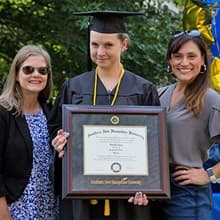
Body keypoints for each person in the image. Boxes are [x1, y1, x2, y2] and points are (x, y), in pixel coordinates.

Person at [48, 11, 159, 220]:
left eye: (108, 45)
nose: (100, 52)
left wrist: (150, 188)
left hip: (129, 196)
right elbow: (54, 128)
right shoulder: (74, 86)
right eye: (94, 44)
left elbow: (155, 145)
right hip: (82, 192)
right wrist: (59, 143)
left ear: (123, 44)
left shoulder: (143, 89)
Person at [148, 30, 220, 219]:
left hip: (187, 194)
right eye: (177, 56)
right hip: (152, 189)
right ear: (170, 61)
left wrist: (210, 174)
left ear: (203, 60)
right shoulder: (158, 94)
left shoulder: (211, 100)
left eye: (191, 56)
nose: (184, 63)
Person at [0, 45, 57, 220]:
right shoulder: (3, 113)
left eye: (42, 70)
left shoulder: (51, 113)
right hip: (15, 209)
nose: (36, 75)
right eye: (28, 69)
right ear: (16, 74)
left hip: (48, 208)